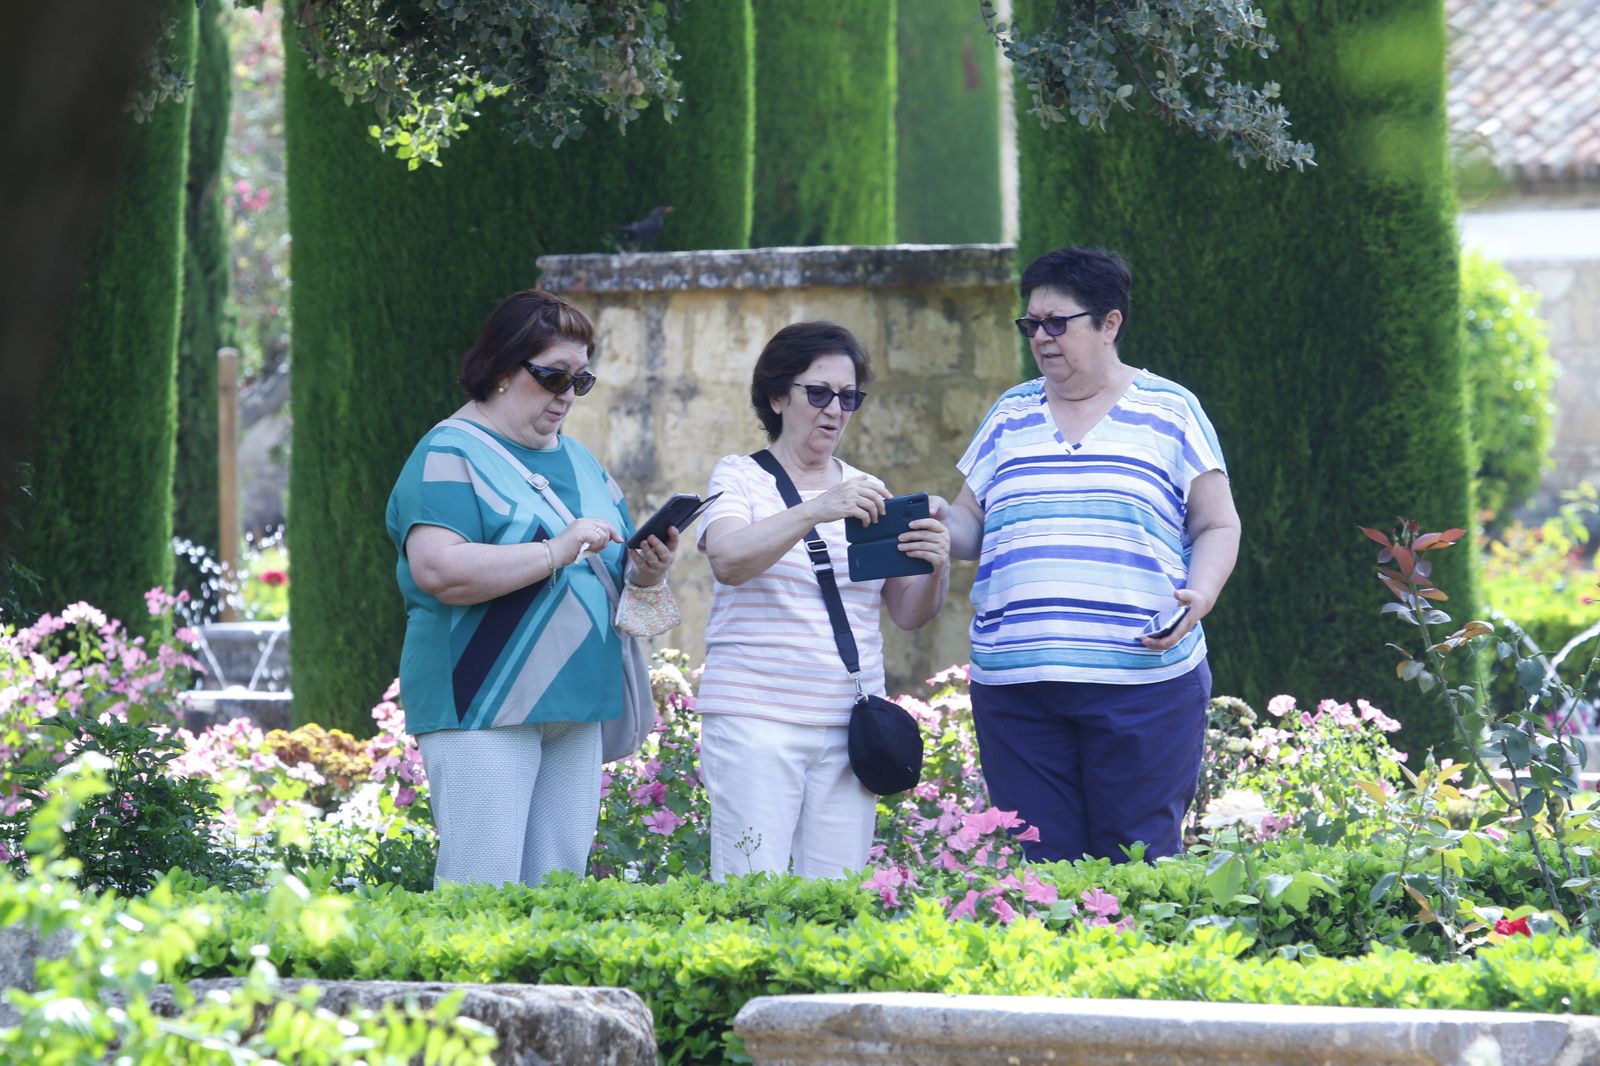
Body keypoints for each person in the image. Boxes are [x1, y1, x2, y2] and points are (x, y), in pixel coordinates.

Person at [942, 247, 1241, 863]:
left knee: (1141, 867)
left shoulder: (1170, 410)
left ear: (1110, 323)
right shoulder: (1009, 414)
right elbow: (970, 522)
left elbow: (1217, 523)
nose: (1041, 337)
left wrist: (1202, 595)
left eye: (1057, 323)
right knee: (1041, 877)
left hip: (1142, 682)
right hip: (1017, 689)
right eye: (1031, 325)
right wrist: (934, 524)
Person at [384, 289, 678, 888]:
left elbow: (610, 568)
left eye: (580, 380)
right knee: (482, 885)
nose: (567, 395)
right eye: (553, 377)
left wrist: (647, 570)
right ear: (500, 368)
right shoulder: (448, 452)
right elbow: (438, 570)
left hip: (578, 703)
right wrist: (554, 550)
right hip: (482, 702)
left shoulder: (583, 461)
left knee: (558, 889)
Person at [696, 321, 952, 880]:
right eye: (818, 394)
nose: (834, 410)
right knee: (749, 892)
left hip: (848, 725)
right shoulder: (740, 476)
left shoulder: (868, 490)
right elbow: (728, 559)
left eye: (848, 397)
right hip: (754, 720)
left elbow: (909, 613)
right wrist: (817, 508)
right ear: (777, 397)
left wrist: (938, 565)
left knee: (836, 899)